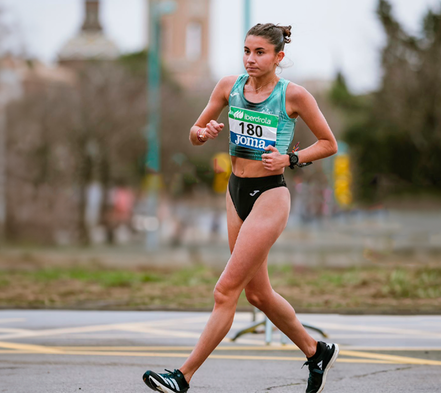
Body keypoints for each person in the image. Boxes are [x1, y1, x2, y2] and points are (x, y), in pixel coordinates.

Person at [143, 23, 339, 393]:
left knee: (225, 290)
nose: (250, 59)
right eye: (246, 51)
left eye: (260, 52)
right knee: (258, 294)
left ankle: (181, 377)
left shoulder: (293, 96)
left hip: (270, 195)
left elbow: (329, 144)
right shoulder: (228, 87)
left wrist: (290, 159)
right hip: (236, 192)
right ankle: (317, 351)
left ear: (278, 57)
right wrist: (202, 134)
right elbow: (194, 132)